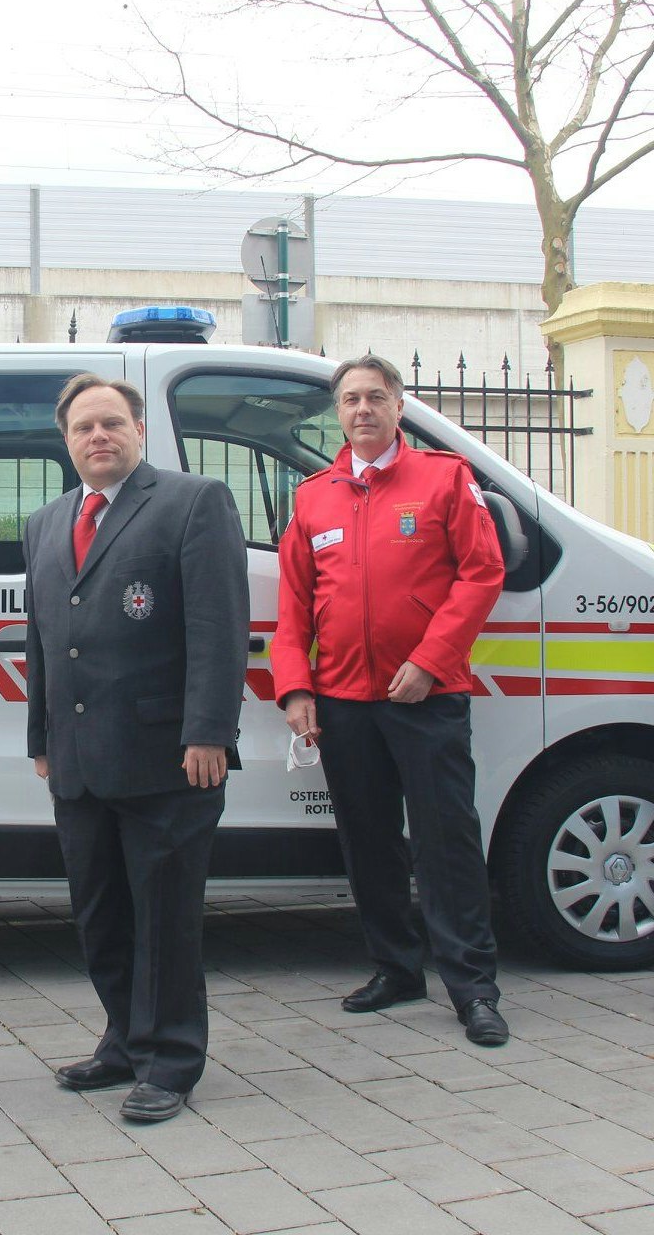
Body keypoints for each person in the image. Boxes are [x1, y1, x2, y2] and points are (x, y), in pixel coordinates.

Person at [23, 373, 249, 1122]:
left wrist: (210, 731)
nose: (99, 436)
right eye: (84, 427)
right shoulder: (48, 522)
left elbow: (219, 628)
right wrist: (41, 739)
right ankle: (124, 1038)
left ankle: (171, 1060)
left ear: (139, 431)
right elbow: (46, 643)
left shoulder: (192, 503)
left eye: (112, 423)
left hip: (167, 759)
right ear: (66, 441)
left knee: (164, 918)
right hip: (79, 761)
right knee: (101, 916)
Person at [271, 354, 509, 1046]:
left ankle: (474, 990)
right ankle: (397, 969)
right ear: (337, 413)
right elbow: (294, 607)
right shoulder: (314, 496)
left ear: (399, 407)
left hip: (426, 699)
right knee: (369, 843)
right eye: (350, 400)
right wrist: (294, 688)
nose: (363, 409)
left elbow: (482, 572)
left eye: (376, 397)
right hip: (343, 702)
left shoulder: (443, 479)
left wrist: (431, 662)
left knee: (446, 843)